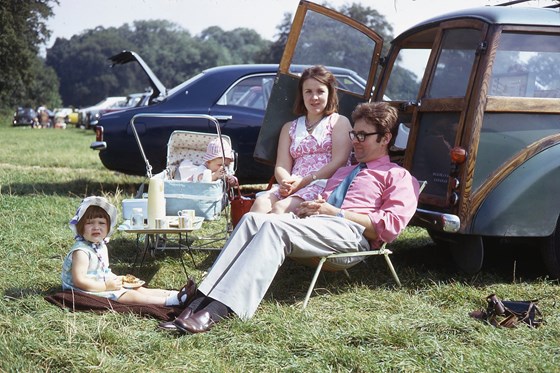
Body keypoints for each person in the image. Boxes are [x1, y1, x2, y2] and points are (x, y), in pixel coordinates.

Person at [161, 102, 420, 334]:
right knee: (253, 220)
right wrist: (314, 206)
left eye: (364, 135)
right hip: (317, 225)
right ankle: (200, 300)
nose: (356, 141)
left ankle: (221, 309)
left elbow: (388, 229)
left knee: (274, 227)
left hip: (352, 235)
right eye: (354, 134)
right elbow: (325, 202)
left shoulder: (397, 177)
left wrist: (336, 212)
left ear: (386, 138)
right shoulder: (345, 172)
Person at [250, 65, 353, 214]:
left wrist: (303, 182)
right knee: (260, 204)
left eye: (320, 91)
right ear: (302, 95)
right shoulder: (289, 127)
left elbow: (340, 161)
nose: (314, 97)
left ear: (330, 93)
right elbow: (282, 166)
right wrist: (286, 183)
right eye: (308, 92)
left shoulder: (339, 122)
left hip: (323, 184)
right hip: (294, 183)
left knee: (280, 208)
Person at [61, 196, 196, 306]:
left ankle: (175, 294)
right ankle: (170, 302)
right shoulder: (81, 252)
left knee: (138, 288)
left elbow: (102, 270)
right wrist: (105, 286)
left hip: (102, 282)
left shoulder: (100, 245)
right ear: (80, 227)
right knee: (129, 295)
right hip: (84, 289)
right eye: (90, 223)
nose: (96, 227)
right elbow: (79, 280)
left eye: (101, 223)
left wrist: (115, 278)